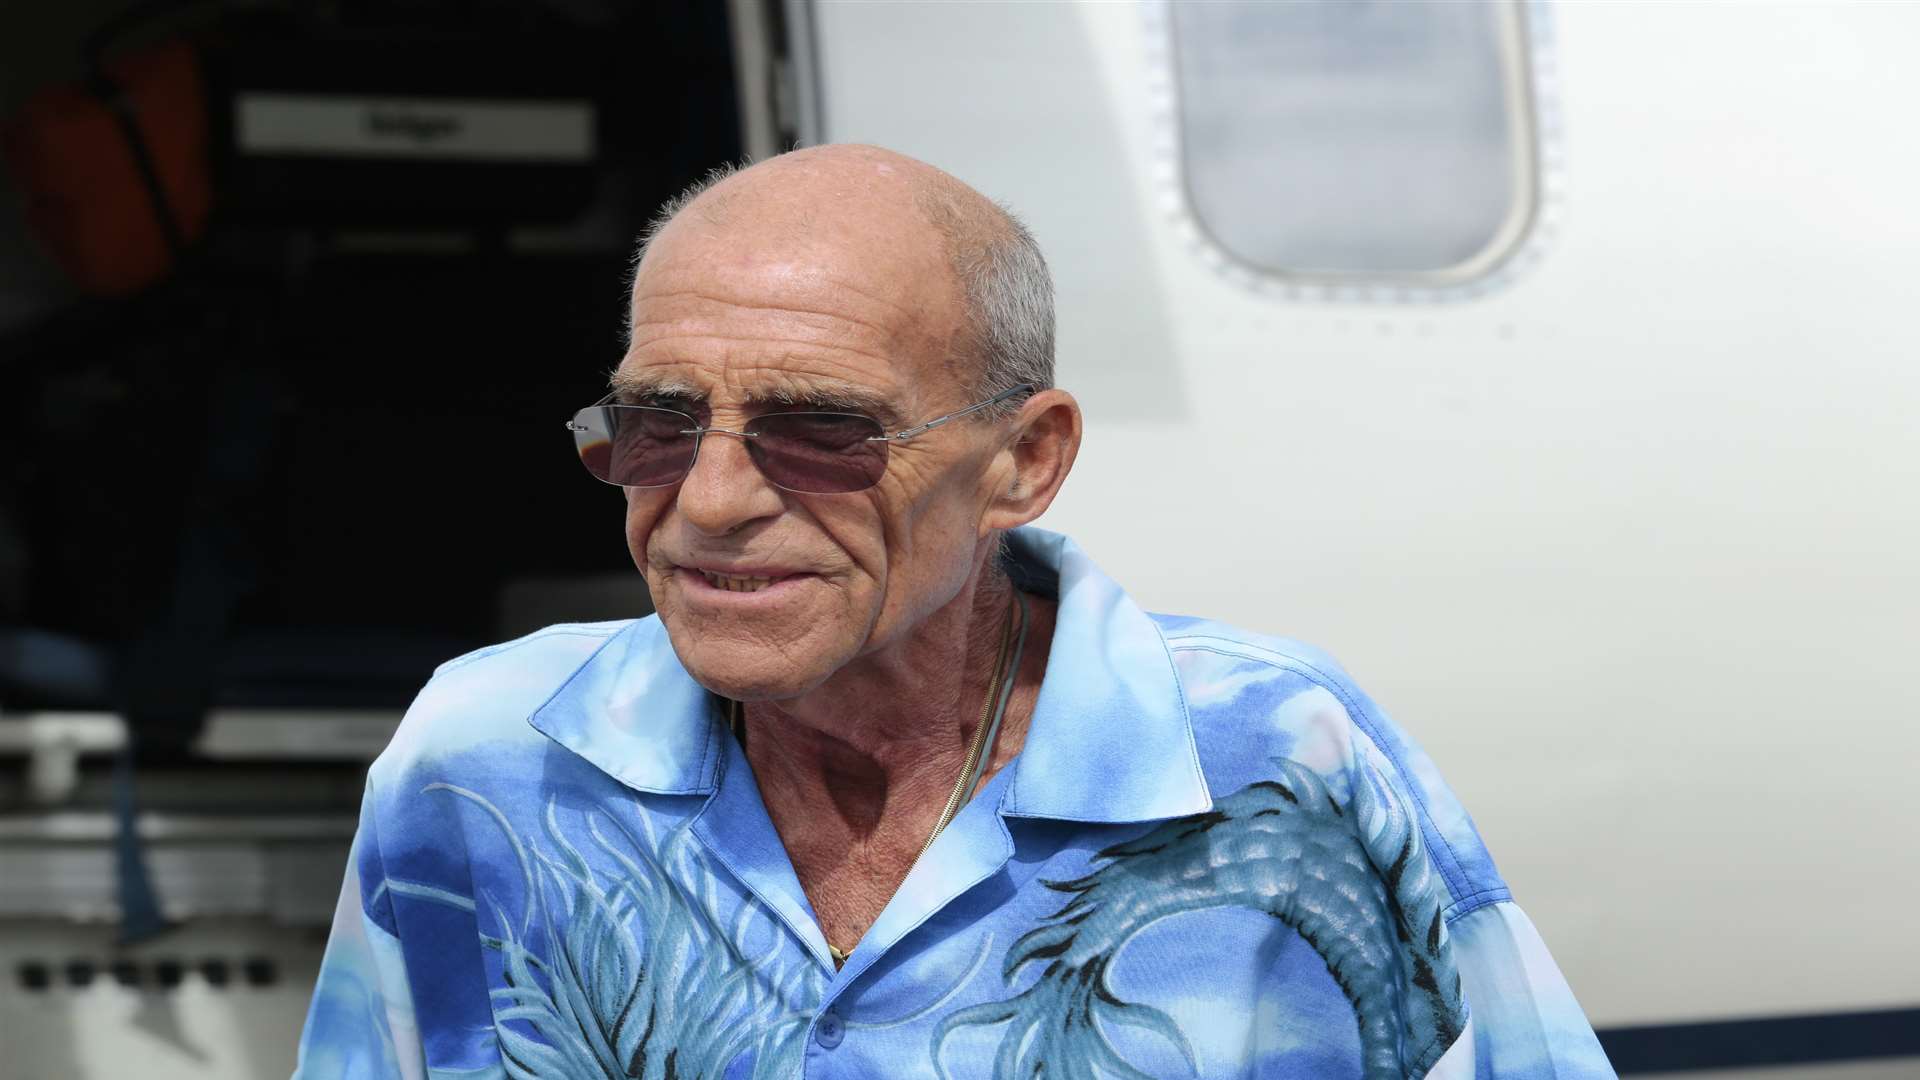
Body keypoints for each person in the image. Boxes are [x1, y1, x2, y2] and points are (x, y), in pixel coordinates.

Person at [295, 144, 1613, 1079]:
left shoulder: (1270, 754)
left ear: (1023, 463)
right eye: (658, 423)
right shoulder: (487, 759)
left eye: (821, 431)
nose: (705, 502)